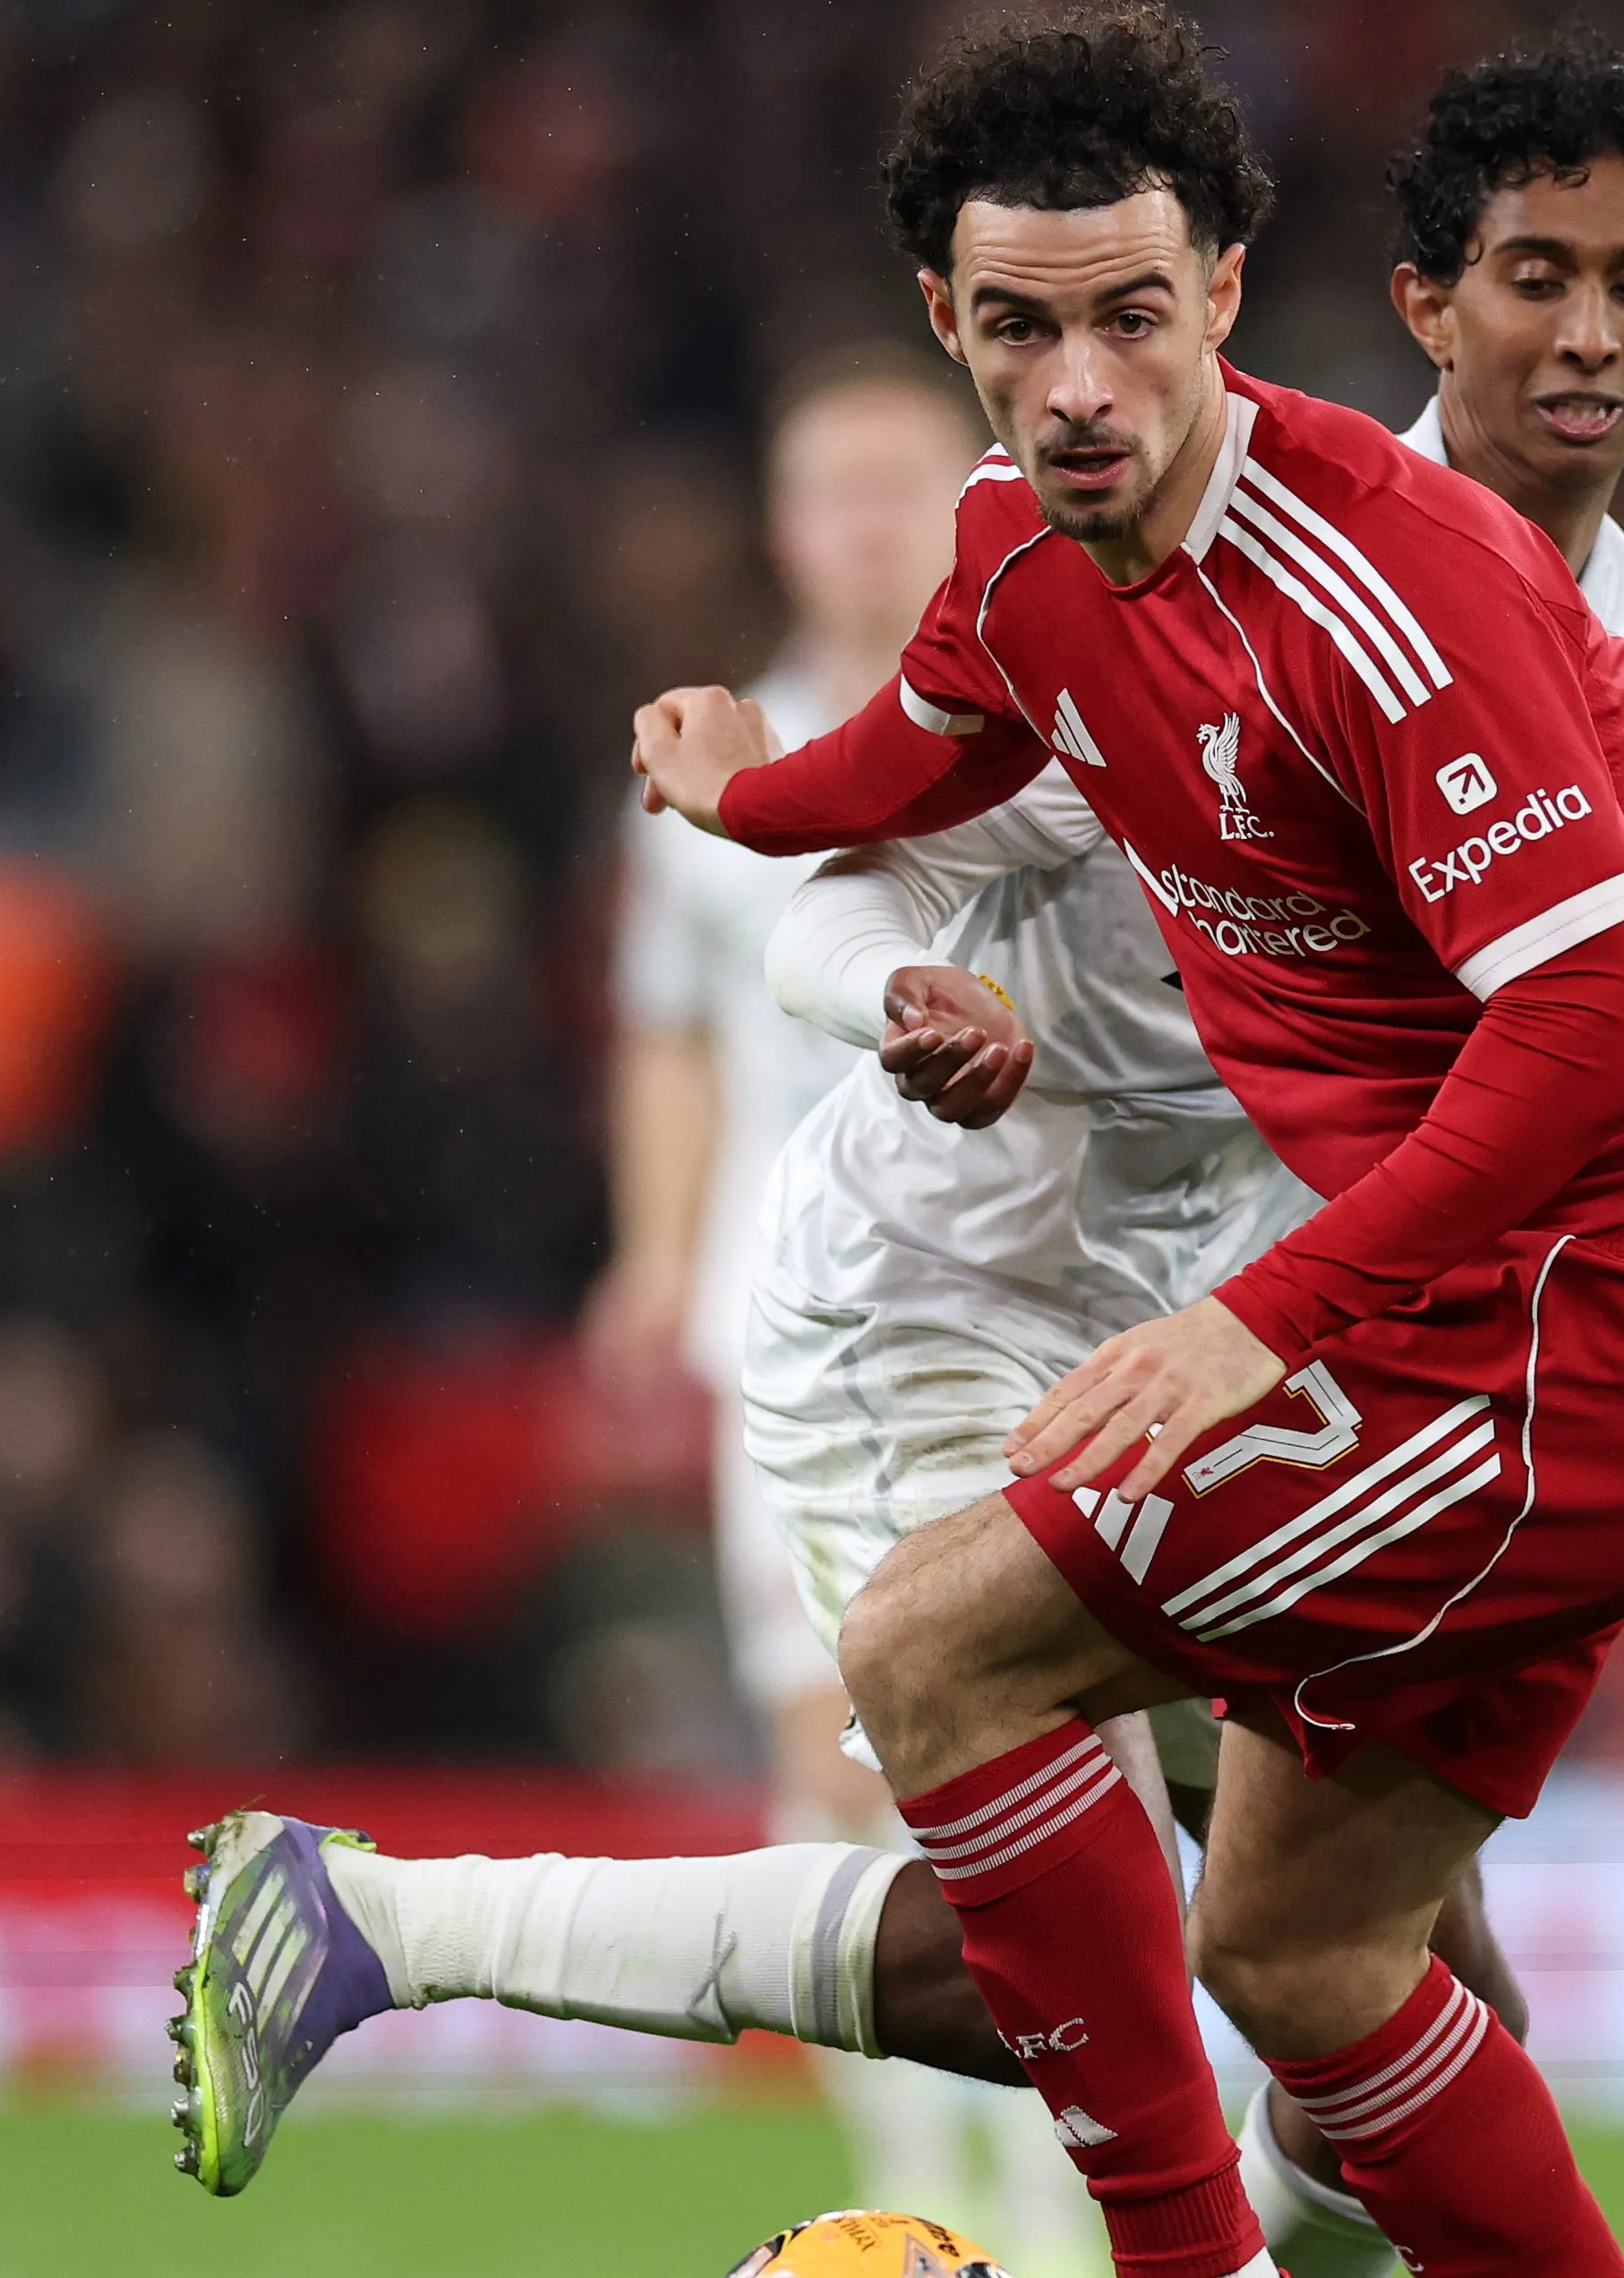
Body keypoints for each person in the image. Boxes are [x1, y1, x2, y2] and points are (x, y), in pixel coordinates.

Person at [169, 34, 1624, 2278]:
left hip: (1568, 1321)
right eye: (1022, 326)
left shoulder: (1444, 601)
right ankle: (381, 1921)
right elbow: (906, 769)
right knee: (1320, 1963)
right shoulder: (1049, 563)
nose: (1077, 381)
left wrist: (1257, 1324)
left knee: (958, 1675)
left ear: (1227, 299)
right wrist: (741, 786)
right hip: (1151, 1306)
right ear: (947, 327)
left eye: (1128, 316)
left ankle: (1127, 2244)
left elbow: (1613, 1021)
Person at [587, 352, 1095, 2258]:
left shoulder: (1047, 740)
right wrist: (652, 1257)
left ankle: (1060, 2204)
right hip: (785, 1346)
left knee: (1026, 1772)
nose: (868, 521)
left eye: (902, 482)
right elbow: (669, 1040)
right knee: (825, 1759)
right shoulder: (712, 756)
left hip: (1012, 1328)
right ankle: (915, 2193)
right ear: (783, 524)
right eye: (831, 489)